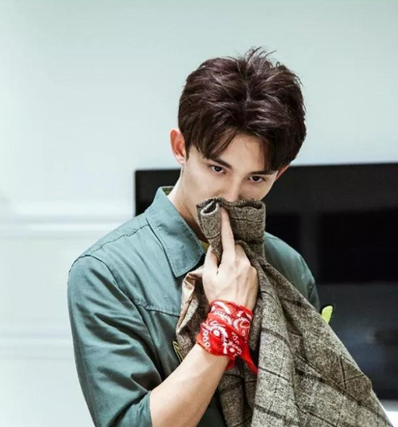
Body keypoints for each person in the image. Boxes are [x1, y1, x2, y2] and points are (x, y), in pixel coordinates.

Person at [67, 46, 320, 427]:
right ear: (180, 147)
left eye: (256, 178)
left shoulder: (289, 266)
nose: (232, 196)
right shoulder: (106, 273)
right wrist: (226, 322)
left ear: (279, 174)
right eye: (218, 168)